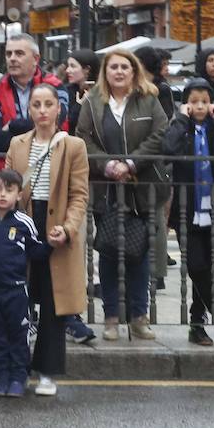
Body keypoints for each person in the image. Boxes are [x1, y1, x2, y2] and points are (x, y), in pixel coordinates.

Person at [76, 48, 170, 339]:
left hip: (141, 187)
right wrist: (108, 166)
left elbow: (160, 133)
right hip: (106, 189)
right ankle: (112, 318)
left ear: (134, 71)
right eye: (113, 67)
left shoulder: (148, 99)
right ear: (105, 72)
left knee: (139, 253)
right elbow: (83, 138)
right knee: (107, 252)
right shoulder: (93, 102)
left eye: (124, 67)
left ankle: (139, 317)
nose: (118, 71)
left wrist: (131, 163)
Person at [4, 82, 91, 393]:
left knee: (54, 304)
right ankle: (14, 368)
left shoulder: (73, 146)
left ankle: (47, 373)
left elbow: (79, 195)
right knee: (18, 299)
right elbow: (8, 188)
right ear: (29, 110)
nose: (42, 111)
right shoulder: (17, 144)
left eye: (47, 104)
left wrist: (68, 228)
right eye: (36, 105)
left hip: (56, 226)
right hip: (24, 224)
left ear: (58, 109)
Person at [162, 78, 214, 345]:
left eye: (205, 101)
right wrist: (181, 120)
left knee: (207, 270)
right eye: (194, 102)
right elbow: (167, 149)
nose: (200, 106)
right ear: (186, 105)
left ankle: (197, 325)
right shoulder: (181, 129)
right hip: (187, 208)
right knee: (195, 266)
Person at [0, 169, 53, 397]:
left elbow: (36, 251)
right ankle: (2, 376)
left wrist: (52, 244)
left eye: (9, 190)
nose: (3, 195)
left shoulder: (24, 222)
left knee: (18, 336)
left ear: (19, 195)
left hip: (16, 291)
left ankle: (19, 377)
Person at [0, 34, 67, 167]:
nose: (12, 59)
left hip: (51, 167)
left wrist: (13, 125)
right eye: (9, 54)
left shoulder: (55, 87)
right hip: (8, 175)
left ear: (35, 59)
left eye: (19, 54)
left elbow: (54, 124)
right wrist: (36, 131)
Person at [134, 45, 176, 119]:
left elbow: (166, 117)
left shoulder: (162, 87)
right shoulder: (136, 86)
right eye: (164, 64)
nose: (167, 69)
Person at [62, 49, 99, 132]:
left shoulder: (102, 90)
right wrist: (79, 105)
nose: (68, 70)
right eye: (68, 66)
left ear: (87, 69)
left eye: (73, 66)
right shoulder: (66, 91)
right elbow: (69, 123)